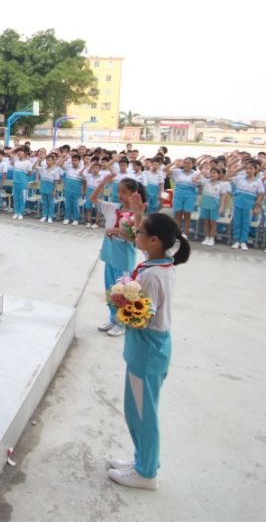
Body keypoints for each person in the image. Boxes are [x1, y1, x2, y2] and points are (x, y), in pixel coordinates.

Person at [107, 212, 189, 490]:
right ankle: (142, 460)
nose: (135, 234)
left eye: (140, 231)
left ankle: (146, 473)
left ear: (155, 240)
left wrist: (120, 302)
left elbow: (142, 317)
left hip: (147, 350)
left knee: (142, 414)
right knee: (140, 410)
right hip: (149, 348)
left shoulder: (153, 275)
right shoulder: (160, 264)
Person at [90, 174, 147, 337]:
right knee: (110, 289)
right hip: (109, 255)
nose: (120, 195)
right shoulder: (112, 207)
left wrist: (118, 231)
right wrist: (102, 183)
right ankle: (113, 318)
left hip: (123, 258)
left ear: (133, 194)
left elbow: (136, 240)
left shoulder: (137, 215)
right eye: (119, 191)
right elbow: (93, 199)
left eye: (123, 191)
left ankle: (122, 322)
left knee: (123, 291)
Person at [229, 162, 265, 250]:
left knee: (246, 224)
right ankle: (237, 241)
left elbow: (260, 194)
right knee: (237, 222)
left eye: (251, 168)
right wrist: (238, 169)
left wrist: (257, 206)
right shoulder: (240, 178)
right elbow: (227, 177)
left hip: (249, 206)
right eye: (247, 168)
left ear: (256, 170)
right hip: (238, 204)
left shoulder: (258, 181)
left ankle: (243, 241)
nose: (248, 170)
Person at [197, 167, 231, 246]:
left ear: (219, 175)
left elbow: (223, 196)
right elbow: (194, 180)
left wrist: (222, 206)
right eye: (211, 173)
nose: (212, 174)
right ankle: (206, 237)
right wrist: (201, 173)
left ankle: (211, 238)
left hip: (215, 206)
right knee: (206, 222)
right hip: (205, 204)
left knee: (213, 223)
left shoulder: (222, 184)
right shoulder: (206, 181)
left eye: (214, 173)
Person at [168, 158, 201, 238]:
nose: (186, 165)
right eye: (185, 163)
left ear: (192, 165)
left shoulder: (196, 173)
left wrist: (197, 181)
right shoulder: (178, 171)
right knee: (178, 214)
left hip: (190, 196)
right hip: (178, 195)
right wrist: (173, 163)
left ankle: (185, 233)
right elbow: (165, 170)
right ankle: (176, 233)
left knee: (187, 214)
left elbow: (200, 184)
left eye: (188, 163)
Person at [62, 153, 84, 225]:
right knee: (67, 204)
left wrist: (83, 190)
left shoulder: (82, 171)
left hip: (76, 190)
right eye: (73, 160)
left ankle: (76, 219)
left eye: (75, 160)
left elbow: (84, 182)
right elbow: (59, 164)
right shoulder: (68, 168)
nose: (73, 162)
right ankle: (67, 218)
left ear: (79, 161)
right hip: (67, 189)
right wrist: (65, 157)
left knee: (75, 205)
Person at [11, 149, 32, 220]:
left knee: (22, 198)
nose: (19, 153)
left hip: (22, 183)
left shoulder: (28, 163)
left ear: (24, 153)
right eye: (18, 152)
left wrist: (23, 177)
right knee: (15, 198)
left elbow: (29, 173)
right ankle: (16, 212)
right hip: (15, 182)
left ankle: (20, 213)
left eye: (21, 152)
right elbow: (9, 153)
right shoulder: (16, 161)